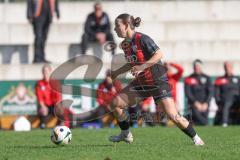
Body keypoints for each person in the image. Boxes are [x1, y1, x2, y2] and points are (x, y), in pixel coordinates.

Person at [108, 13, 204, 145]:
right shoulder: (125, 44)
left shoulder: (143, 39)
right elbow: (132, 63)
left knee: (173, 115)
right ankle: (126, 135)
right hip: (141, 83)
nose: (114, 29)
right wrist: (117, 72)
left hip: (157, 82)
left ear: (125, 25)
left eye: (116, 26)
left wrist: (142, 67)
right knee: (115, 103)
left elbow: (159, 54)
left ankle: (197, 139)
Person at [184, 60, 213, 125]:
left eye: (198, 66)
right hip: (193, 104)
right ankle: (206, 124)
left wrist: (206, 103)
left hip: (205, 104)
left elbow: (210, 92)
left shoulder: (207, 78)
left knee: (201, 118)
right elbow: (188, 93)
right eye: (195, 66)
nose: (196, 68)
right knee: (199, 118)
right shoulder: (188, 78)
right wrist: (195, 102)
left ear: (201, 67)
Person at [35, 64, 62, 129]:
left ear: (50, 72)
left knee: (61, 109)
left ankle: (59, 124)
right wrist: (43, 106)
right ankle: (42, 124)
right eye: (44, 72)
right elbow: (40, 98)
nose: (45, 73)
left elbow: (58, 97)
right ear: (42, 73)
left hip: (53, 105)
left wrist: (58, 107)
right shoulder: (39, 83)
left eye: (47, 71)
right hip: (44, 105)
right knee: (43, 110)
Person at [214, 62, 240, 127]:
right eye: (226, 67)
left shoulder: (237, 79)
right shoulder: (219, 79)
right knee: (227, 102)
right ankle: (224, 123)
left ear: (232, 68)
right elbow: (216, 93)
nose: (227, 68)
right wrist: (218, 103)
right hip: (225, 100)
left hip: (237, 100)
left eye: (229, 67)